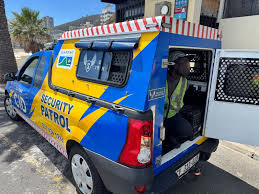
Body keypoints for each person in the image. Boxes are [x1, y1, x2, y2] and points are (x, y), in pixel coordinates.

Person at [164, 51, 193, 149]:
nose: (187, 65)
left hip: (173, 116)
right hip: (158, 118)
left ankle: (168, 135)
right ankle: (167, 137)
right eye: (184, 62)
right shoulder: (161, 79)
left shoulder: (185, 82)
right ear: (174, 65)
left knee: (188, 132)